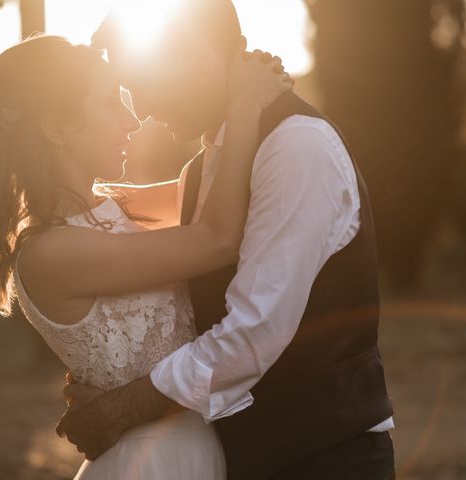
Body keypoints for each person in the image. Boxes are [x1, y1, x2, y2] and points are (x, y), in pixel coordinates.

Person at [58, 0, 396, 479]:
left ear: (195, 53)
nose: (146, 111)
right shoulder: (206, 167)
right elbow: (131, 218)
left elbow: (254, 331)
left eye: (146, 85)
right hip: (243, 461)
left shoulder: (296, 147)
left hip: (325, 459)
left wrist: (120, 410)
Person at [0, 34, 292, 479]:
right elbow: (217, 238)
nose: (132, 121)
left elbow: (210, 187)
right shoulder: (51, 252)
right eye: (112, 104)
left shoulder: (111, 207)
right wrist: (244, 106)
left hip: (190, 451)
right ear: (57, 127)